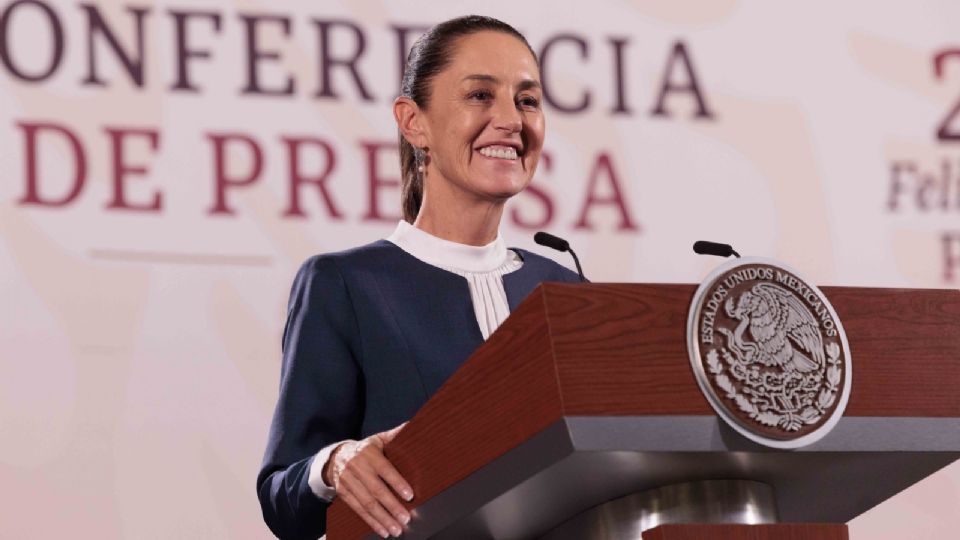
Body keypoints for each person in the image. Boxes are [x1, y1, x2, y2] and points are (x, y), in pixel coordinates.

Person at [256, 15, 580, 539]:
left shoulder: (566, 292)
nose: (510, 120)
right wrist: (336, 462)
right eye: (479, 95)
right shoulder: (345, 284)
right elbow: (282, 501)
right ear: (413, 122)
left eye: (527, 100)